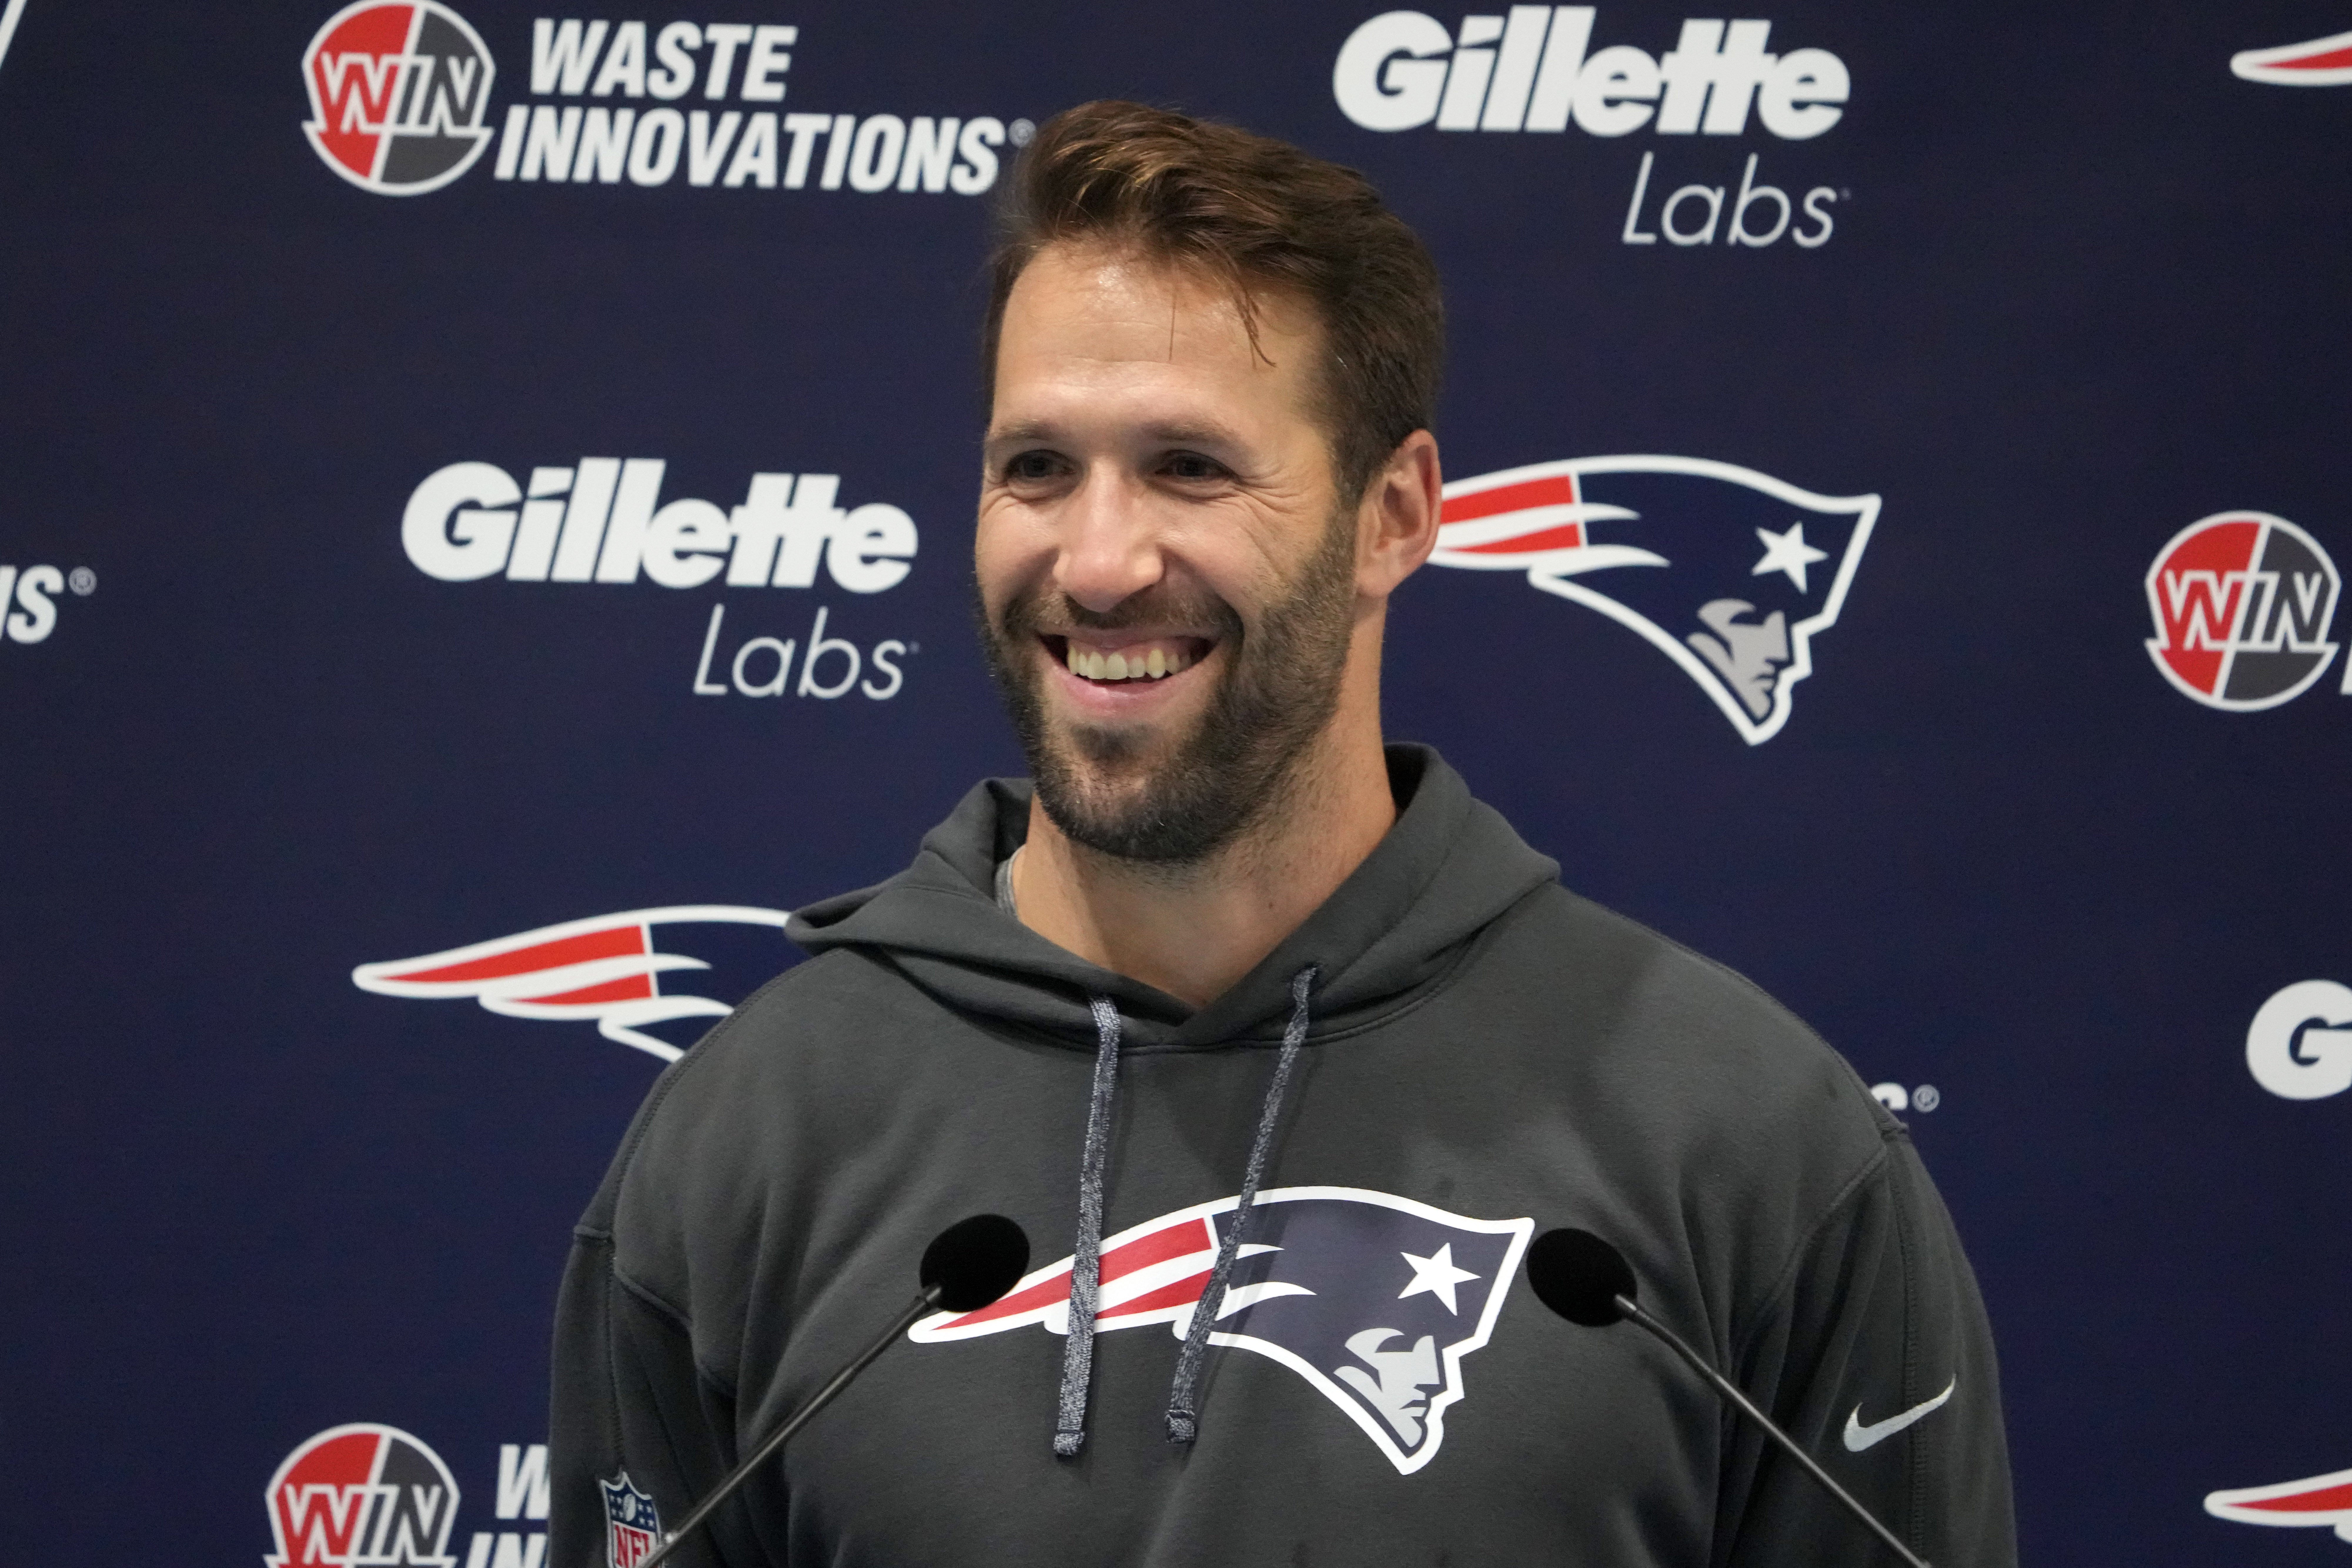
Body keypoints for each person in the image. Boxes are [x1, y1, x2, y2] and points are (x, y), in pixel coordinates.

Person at [549, 100, 2015, 1567]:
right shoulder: (747, 1142)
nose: (1103, 560)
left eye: (1191, 466)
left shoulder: (1748, 1143)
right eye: (1038, 468)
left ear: (1394, 515)